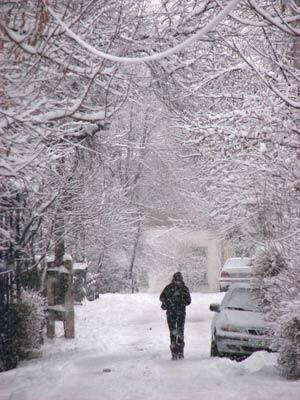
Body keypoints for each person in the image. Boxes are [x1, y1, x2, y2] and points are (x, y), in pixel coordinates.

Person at [159, 272, 191, 360]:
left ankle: (175, 352)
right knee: (179, 331)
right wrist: (181, 302)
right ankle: (179, 352)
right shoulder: (184, 288)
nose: (178, 282)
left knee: (174, 331)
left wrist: (169, 302)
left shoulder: (169, 288)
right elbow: (188, 301)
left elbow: (161, 297)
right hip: (179, 312)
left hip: (171, 313)